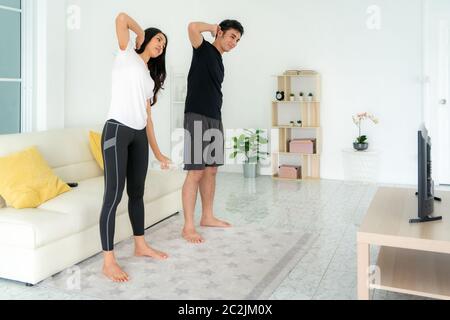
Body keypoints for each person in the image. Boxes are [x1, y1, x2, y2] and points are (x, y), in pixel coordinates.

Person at [100, 12, 172, 282]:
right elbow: (120, 18)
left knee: (137, 193)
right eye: (158, 39)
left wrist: (158, 152)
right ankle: (108, 261)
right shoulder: (125, 53)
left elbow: (148, 119)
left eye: (164, 44)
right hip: (117, 130)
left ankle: (140, 244)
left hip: (139, 135)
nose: (160, 44)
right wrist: (140, 32)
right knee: (113, 195)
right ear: (146, 40)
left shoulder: (149, 78)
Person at [182, 20, 244, 243]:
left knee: (211, 170)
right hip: (196, 116)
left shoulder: (220, 60)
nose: (234, 42)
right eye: (232, 36)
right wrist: (211, 27)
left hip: (215, 117)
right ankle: (188, 226)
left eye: (237, 40)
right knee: (195, 171)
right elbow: (191, 27)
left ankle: (207, 216)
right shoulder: (203, 49)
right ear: (220, 33)